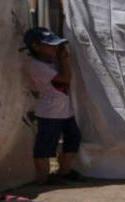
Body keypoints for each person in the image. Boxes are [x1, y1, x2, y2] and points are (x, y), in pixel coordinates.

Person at [24, 27, 82, 185]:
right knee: (45, 146)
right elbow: (64, 79)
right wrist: (64, 59)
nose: (55, 48)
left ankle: (64, 171)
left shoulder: (51, 62)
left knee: (73, 139)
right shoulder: (36, 66)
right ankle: (42, 179)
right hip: (50, 113)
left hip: (64, 111)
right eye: (50, 45)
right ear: (36, 47)